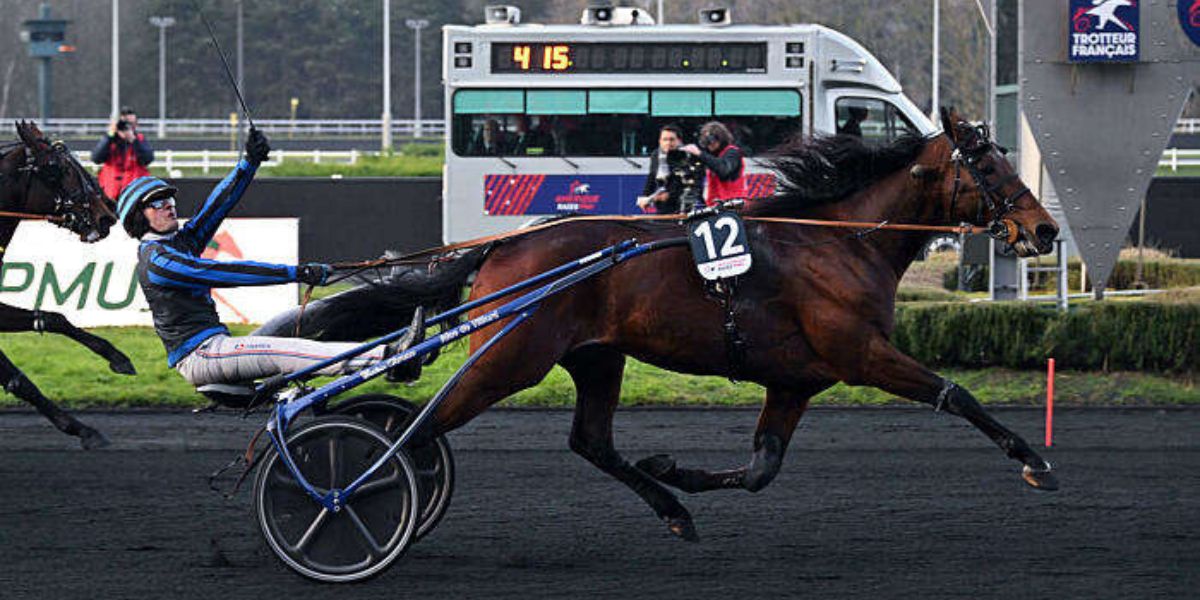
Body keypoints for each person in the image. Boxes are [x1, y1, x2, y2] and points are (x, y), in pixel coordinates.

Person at [116, 128, 419, 388]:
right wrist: (296, 273)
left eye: (168, 199)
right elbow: (227, 273)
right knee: (292, 350)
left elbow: (218, 204)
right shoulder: (157, 262)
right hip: (201, 356)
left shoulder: (181, 241)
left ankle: (391, 291)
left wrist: (249, 162)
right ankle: (391, 358)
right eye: (157, 203)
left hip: (218, 346)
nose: (168, 206)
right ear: (139, 218)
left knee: (308, 313)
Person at [91, 106, 155, 200]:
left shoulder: (139, 140)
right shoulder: (110, 141)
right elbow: (96, 158)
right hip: (110, 193)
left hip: (135, 194)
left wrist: (133, 140)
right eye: (123, 124)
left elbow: (148, 159)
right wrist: (110, 136)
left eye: (130, 124)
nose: (126, 127)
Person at [681, 121, 747, 206]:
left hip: (732, 203)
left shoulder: (732, 152)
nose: (710, 145)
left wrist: (700, 154)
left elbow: (724, 170)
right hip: (714, 204)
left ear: (720, 138)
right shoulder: (712, 157)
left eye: (711, 141)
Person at [638, 124, 686, 214]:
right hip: (662, 204)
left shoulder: (685, 156)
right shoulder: (656, 155)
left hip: (682, 205)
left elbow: (684, 183)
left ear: (679, 141)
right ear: (660, 141)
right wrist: (645, 197)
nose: (668, 143)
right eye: (665, 139)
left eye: (672, 139)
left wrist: (668, 195)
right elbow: (652, 177)